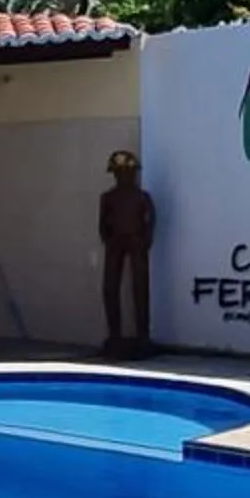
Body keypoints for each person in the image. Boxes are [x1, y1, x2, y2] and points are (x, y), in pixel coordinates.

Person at [98, 149, 156, 353]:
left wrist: (145, 241)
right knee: (110, 288)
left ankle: (143, 336)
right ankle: (115, 335)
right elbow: (102, 223)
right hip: (116, 243)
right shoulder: (108, 197)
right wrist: (108, 239)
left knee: (140, 289)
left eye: (126, 172)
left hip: (136, 241)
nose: (123, 177)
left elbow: (150, 221)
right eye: (119, 173)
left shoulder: (141, 197)